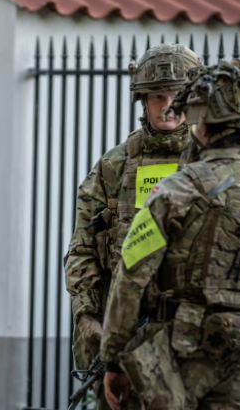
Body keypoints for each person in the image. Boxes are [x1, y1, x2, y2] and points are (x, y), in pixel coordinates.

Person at [101, 59, 240, 410]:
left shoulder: (171, 193)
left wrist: (113, 359)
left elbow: (130, 277)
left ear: (201, 126)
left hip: (179, 364)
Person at [64, 43, 200, 408]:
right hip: (124, 340)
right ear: (142, 99)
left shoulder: (211, 163)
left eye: (177, 95)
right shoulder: (115, 166)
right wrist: (88, 317)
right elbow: (81, 248)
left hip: (194, 344)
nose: (167, 104)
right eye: (157, 95)